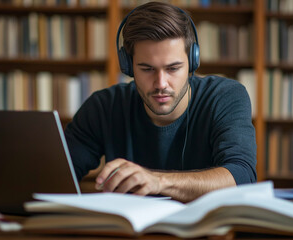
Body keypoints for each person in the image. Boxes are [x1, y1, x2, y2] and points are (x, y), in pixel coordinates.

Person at [64, 1, 256, 203]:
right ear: (128, 67)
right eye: (147, 69)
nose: (161, 83)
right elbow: (55, 174)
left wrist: (159, 182)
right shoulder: (103, 107)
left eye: (173, 68)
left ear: (192, 62)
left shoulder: (225, 97)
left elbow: (242, 177)